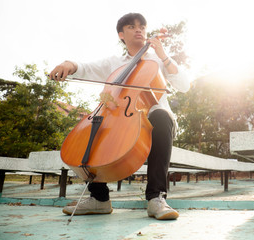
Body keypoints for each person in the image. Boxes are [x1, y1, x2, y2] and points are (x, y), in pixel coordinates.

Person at [50, 13, 190, 220]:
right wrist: (68, 64)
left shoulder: (157, 60)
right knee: (96, 127)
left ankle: (156, 198)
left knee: (161, 115)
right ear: (121, 34)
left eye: (142, 26)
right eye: (132, 26)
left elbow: (184, 85)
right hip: (121, 115)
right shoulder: (114, 62)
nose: (139, 29)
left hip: (153, 117)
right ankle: (99, 199)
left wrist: (164, 56)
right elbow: (86, 68)